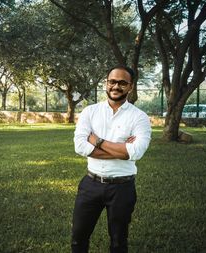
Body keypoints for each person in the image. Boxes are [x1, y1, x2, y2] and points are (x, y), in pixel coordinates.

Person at [72, 65, 151, 253]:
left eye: (122, 83)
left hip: (122, 188)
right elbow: (80, 146)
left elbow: (136, 152)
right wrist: (123, 150)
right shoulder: (90, 112)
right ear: (106, 84)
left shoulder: (139, 117)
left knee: (118, 242)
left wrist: (97, 141)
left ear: (130, 87)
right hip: (90, 185)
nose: (116, 86)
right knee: (78, 238)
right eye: (112, 81)